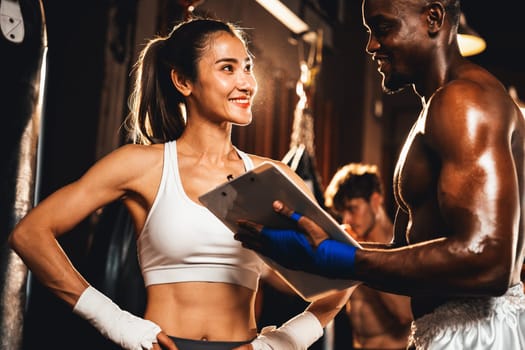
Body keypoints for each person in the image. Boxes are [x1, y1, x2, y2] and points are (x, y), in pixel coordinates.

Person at [8, 17, 352, 350]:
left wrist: (280, 343)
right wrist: (116, 323)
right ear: (183, 81)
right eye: (228, 68)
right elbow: (30, 234)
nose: (247, 82)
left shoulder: (273, 179)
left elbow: (344, 272)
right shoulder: (142, 165)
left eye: (247, 67)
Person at [234, 1, 525, 349]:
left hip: (476, 333)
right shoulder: (435, 109)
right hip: (451, 329)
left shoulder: (464, 102)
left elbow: (489, 260)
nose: (371, 45)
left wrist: (342, 258)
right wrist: (321, 248)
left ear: (433, 19)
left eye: (383, 28)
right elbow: (409, 255)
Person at [324, 163, 412, 349]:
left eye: (352, 209)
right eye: (343, 213)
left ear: (375, 201)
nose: (347, 219)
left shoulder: (403, 246)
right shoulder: (352, 243)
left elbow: (405, 313)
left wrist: (359, 258)